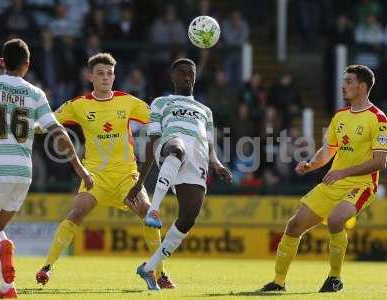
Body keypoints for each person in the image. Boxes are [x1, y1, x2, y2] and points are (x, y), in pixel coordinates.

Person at [35, 53, 175, 289]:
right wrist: (26, 127)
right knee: (77, 212)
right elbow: (47, 123)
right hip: (95, 177)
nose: (106, 77)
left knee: (148, 213)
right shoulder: (78, 105)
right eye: (100, 73)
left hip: (125, 176)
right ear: (90, 77)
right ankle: (47, 267)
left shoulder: (127, 101)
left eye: (109, 73)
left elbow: (156, 118)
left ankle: (159, 272)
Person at [258, 65, 387, 293]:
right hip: (333, 182)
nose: (343, 86)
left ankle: (334, 278)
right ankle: (278, 284)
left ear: (363, 86)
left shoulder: (378, 119)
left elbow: (380, 162)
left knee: (337, 219)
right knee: (294, 225)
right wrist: (310, 165)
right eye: (343, 81)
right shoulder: (340, 115)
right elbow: (328, 150)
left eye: (348, 81)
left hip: (361, 184)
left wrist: (343, 172)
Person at [0, 38, 92, 299]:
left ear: (2, 62)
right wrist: (79, 167)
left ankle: (1, 251)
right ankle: (7, 288)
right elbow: (59, 133)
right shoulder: (36, 94)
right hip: (23, 173)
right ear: (27, 64)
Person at [125, 58, 232, 290]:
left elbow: (209, 142)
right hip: (170, 146)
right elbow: (153, 140)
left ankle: (149, 267)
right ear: (173, 77)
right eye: (182, 73)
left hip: (198, 160)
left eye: (190, 73)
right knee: (176, 148)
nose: (187, 77)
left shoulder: (206, 110)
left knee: (188, 218)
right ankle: (153, 210)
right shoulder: (161, 102)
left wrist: (216, 164)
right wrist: (140, 181)